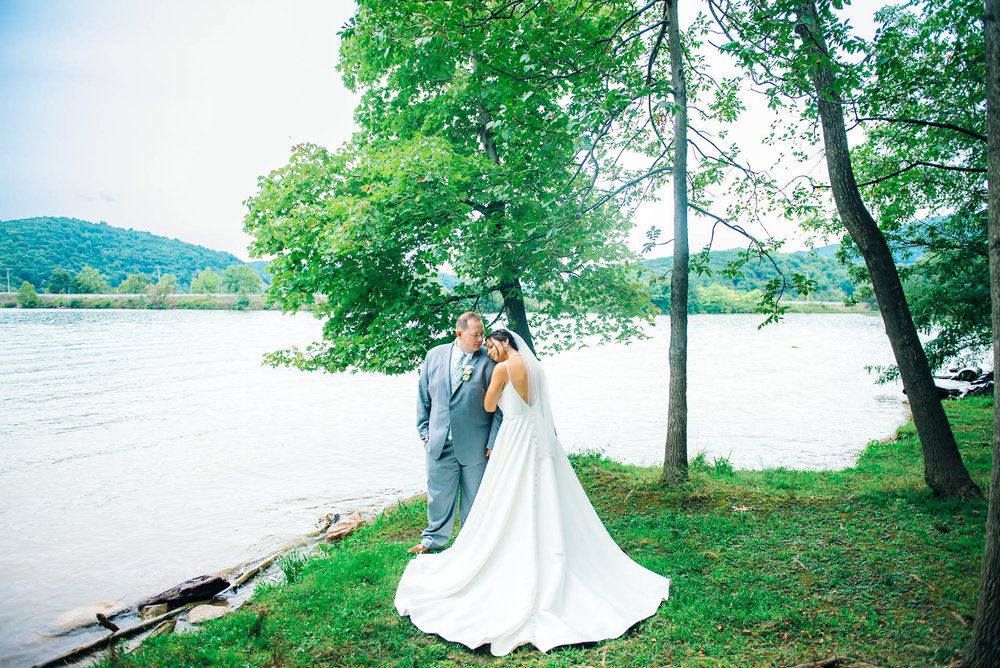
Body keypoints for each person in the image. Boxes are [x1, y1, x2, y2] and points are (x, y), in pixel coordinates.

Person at [396, 328, 671, 655]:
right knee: (546, 497)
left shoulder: (502, 369)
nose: (490, 351)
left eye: (492, 345)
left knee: (508, 497)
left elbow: (487, 406)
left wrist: (490, 390)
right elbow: (535, 404)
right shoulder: (536, 366)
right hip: (540, 442)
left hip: (514, 438)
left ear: (505, 341)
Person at [411, 312, 502, 554]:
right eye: (476, 334)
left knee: (475, 497)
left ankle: (472, 543)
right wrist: (425, 433)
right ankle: (432, 541)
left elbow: (501, 407)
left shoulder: (489, 360)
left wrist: (493, 440)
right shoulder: (434, 355)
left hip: (477, 443)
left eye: (483, 333)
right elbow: (423, 396)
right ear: (459, 334)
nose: (481, 339)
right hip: (439, 441)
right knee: (438, 495)